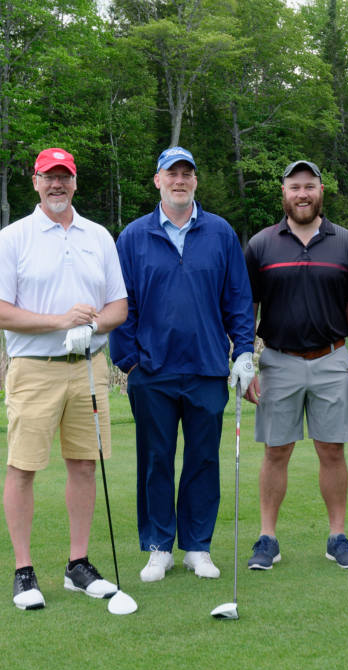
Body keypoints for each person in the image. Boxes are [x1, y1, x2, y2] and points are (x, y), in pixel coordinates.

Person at [0, 147, 129, 610]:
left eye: (65, 177)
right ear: (36, 182)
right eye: (49, 177)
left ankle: (77, 566)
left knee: (85, 464)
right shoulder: (14, 237)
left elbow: (118, 307)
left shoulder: (99, 236)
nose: (57, 184)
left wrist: (90, 326)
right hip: (34, 370)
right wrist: (60, 322)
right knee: (23, 467)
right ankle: (24, 572)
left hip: (88, 368)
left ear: (75, 183)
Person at [111, 146, 256, 583]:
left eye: (187, 174)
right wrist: (130, 362)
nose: (179, 180)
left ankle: (196, 546)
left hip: (208, 369)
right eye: (171, 173)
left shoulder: (220, 232)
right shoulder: (133, 237)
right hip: (151, 373)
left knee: (202, 461)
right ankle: (158, 547)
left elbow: (238, 300)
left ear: (195, 181)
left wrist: (244, 352)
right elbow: (121, 304)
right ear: (157, 180)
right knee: (155, 460)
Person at [242, 159, 348, 571]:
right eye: (295, 187)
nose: (303, 194)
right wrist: (244, 358)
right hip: (278, 361)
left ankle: (337, 536)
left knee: (332, 450)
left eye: (310, 186)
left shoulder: (347, 243)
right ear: (283, 192)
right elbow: (247, 307)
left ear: (321, 191)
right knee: (276, 451)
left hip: (332, 358)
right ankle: (267, 538)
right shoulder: (261, 245)